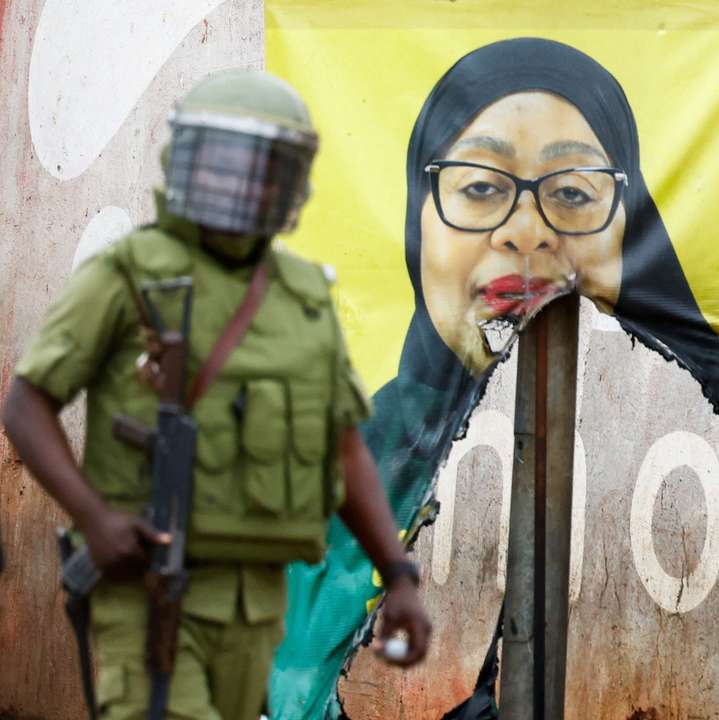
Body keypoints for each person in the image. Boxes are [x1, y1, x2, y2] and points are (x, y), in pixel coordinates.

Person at [271, 37, 719, 715]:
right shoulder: (347, 440)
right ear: (417, 216)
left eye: (571, 192)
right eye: (479, 187)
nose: (526, 233)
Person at [1, 69, 430, 720]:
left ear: (288, 184)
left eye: (265, 170)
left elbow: (342, 450)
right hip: (148, 594)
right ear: (187, 162)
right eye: (225, 163)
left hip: (256, 606)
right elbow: (26, 402)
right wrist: (93, 514)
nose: (243, 185)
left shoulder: (303, 295)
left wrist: (396, 575)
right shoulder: (129, 272)